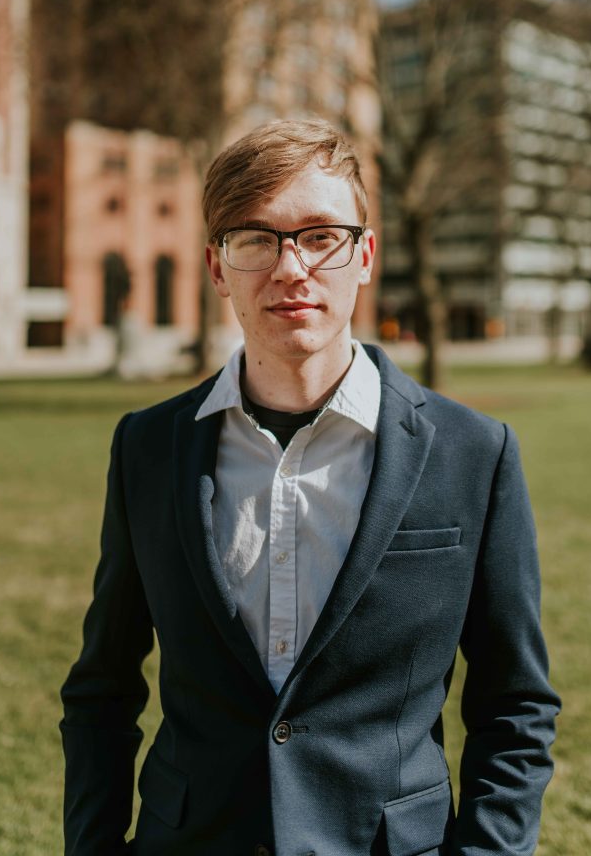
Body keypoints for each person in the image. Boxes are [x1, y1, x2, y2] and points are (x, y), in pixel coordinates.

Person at [60, 118, 560, 856]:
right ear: (215, 266)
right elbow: (102, 691)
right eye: (255, 239)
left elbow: (514, 707)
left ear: (364, 256)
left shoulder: (474, 453)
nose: (291, 269)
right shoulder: (147, 447)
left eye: (321, 236)